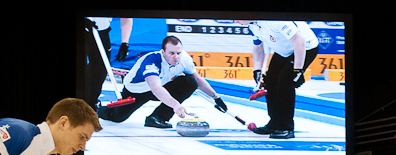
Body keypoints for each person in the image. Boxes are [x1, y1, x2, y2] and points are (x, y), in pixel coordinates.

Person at [97, 36, 228, 129]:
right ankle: (98, 110)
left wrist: (216, 98)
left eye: (178, 53)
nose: (176, 57)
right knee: (118, 117)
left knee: (190, 82)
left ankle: (157, 118)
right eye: (171, 53)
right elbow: (155, 88)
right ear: (163, 51)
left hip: (162, 88)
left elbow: (198, 80)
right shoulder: (152, 61)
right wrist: (176, 105)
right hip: (136, 92)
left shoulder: (185, 58)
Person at [234, 21, 319, 139]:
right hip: (285, 51)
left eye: (238, 18)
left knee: (286, 83)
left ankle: (286, 127)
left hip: (305, 48)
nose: (235, 21)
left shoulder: (276, 21)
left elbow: (299, 41)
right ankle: (275, 123)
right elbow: (258, 47)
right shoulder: (252, 25)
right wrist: (257, 70)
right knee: (269, 83)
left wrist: (297, 70)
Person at [84, 17, 133, 108]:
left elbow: (126, 18)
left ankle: (92, 102)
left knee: (100, 70)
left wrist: (124, 43)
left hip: (101, 33)